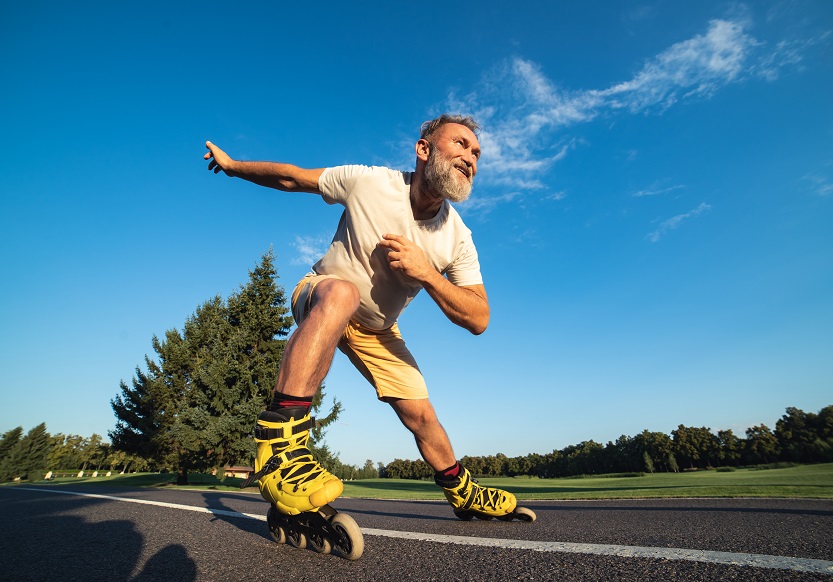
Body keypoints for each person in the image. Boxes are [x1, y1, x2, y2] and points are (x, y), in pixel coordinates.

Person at [204, 114, 522, 520]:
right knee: (344, 292)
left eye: (476, 153)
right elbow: (292, 178)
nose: (471, 157)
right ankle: (279, 447)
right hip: (323, 291)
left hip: (378, 329)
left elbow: (479, 317)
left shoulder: (458, 237)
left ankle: (462, 491)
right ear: (424, 149)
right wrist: (233, 167)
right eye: (460, 144)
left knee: (422, 415)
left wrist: (426, 273)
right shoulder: (370, 181)